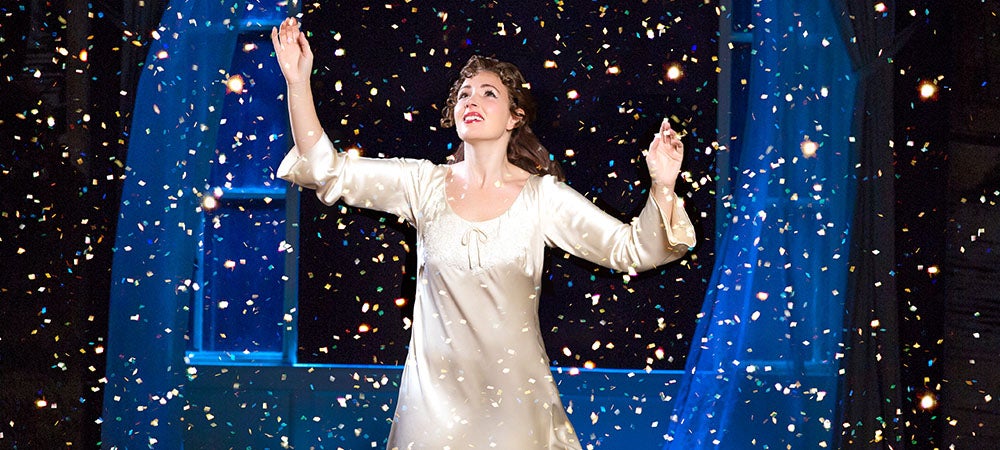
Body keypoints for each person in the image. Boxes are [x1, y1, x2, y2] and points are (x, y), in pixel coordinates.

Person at [271, 16, 696, 450]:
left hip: (515, 409)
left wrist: (662, 185)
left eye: (488, 93)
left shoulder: (543, 198)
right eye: (463, 93)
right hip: (432, 409)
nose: (470, 99)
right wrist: (298, 82)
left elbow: (632, 249)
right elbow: (327, 169)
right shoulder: (423, 185)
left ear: (515, 117)